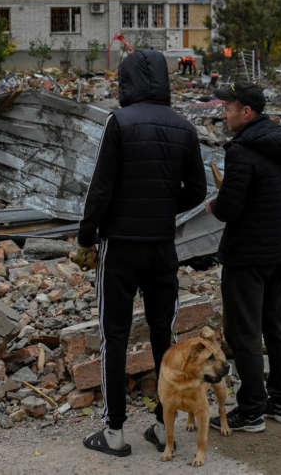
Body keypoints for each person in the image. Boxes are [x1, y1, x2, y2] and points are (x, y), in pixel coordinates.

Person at [72, 49, 208, 457]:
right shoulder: (184, 127)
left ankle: (114, 431)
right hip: (162, 247)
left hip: (121, 248)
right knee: (163, 336)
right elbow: (198, 190)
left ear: (126, 81)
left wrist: (86, 235)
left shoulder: (119, 122)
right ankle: (157, 423)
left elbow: (101, 187)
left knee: (114, 335)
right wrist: (165, 206)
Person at [206, 82, 281, 433]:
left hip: (246, 254)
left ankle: (251, 411)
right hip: (278, 249)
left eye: (228, 108)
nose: (224, 114)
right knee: (275, 325)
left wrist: (214, 206)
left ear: (246, 112)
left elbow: (230, 207)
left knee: (243, 331)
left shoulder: (242, 150)